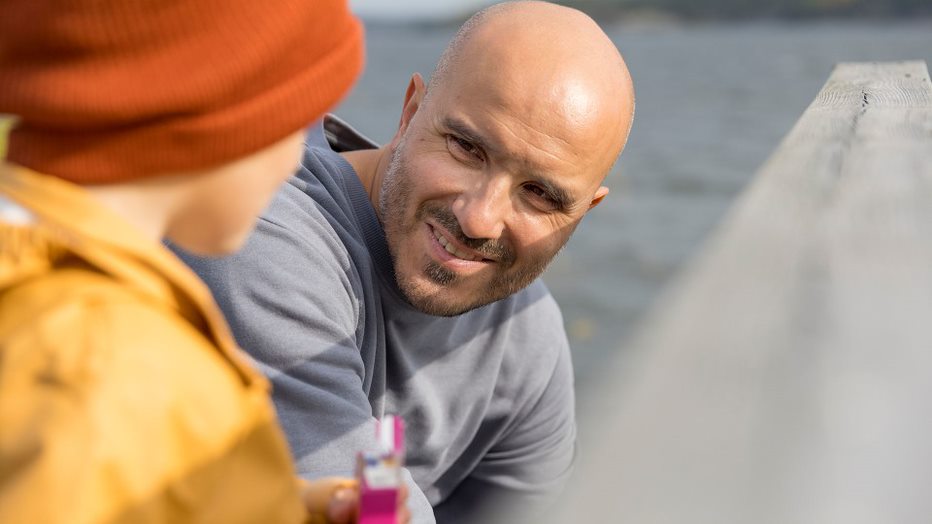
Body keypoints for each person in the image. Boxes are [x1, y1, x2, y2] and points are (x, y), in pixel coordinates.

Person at [174, 1, 635, 522]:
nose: (479, 219)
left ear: (582, 213)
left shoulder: (528, 338)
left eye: (539, 195)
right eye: (466, 148)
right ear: (411, 111)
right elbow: (371, 514)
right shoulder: (263, 237)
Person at [0, 0, 413, 522]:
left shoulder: (50, 268)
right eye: (297, 123)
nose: (298, 159)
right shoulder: (100, 356)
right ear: (226, 117)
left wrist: (289, 509)